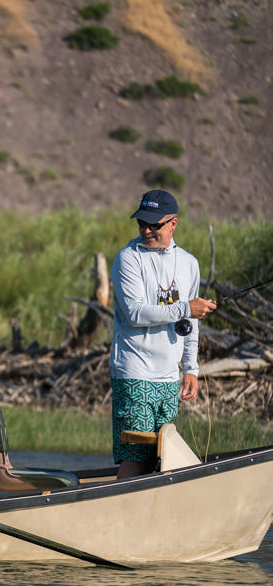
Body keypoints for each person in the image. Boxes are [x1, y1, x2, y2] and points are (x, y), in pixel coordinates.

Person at [110, 189, 216, 479]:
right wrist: (185, 307)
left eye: (154, 224)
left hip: (169, 377)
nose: (147, 230)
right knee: (136, 457)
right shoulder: (127, 259)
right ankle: (121, 518)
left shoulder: (189, 263)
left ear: (173, 223)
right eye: (142, 223)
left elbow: (190, 323)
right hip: (134, 371)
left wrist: (191, 369)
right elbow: (136, 313)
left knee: (161, 460)